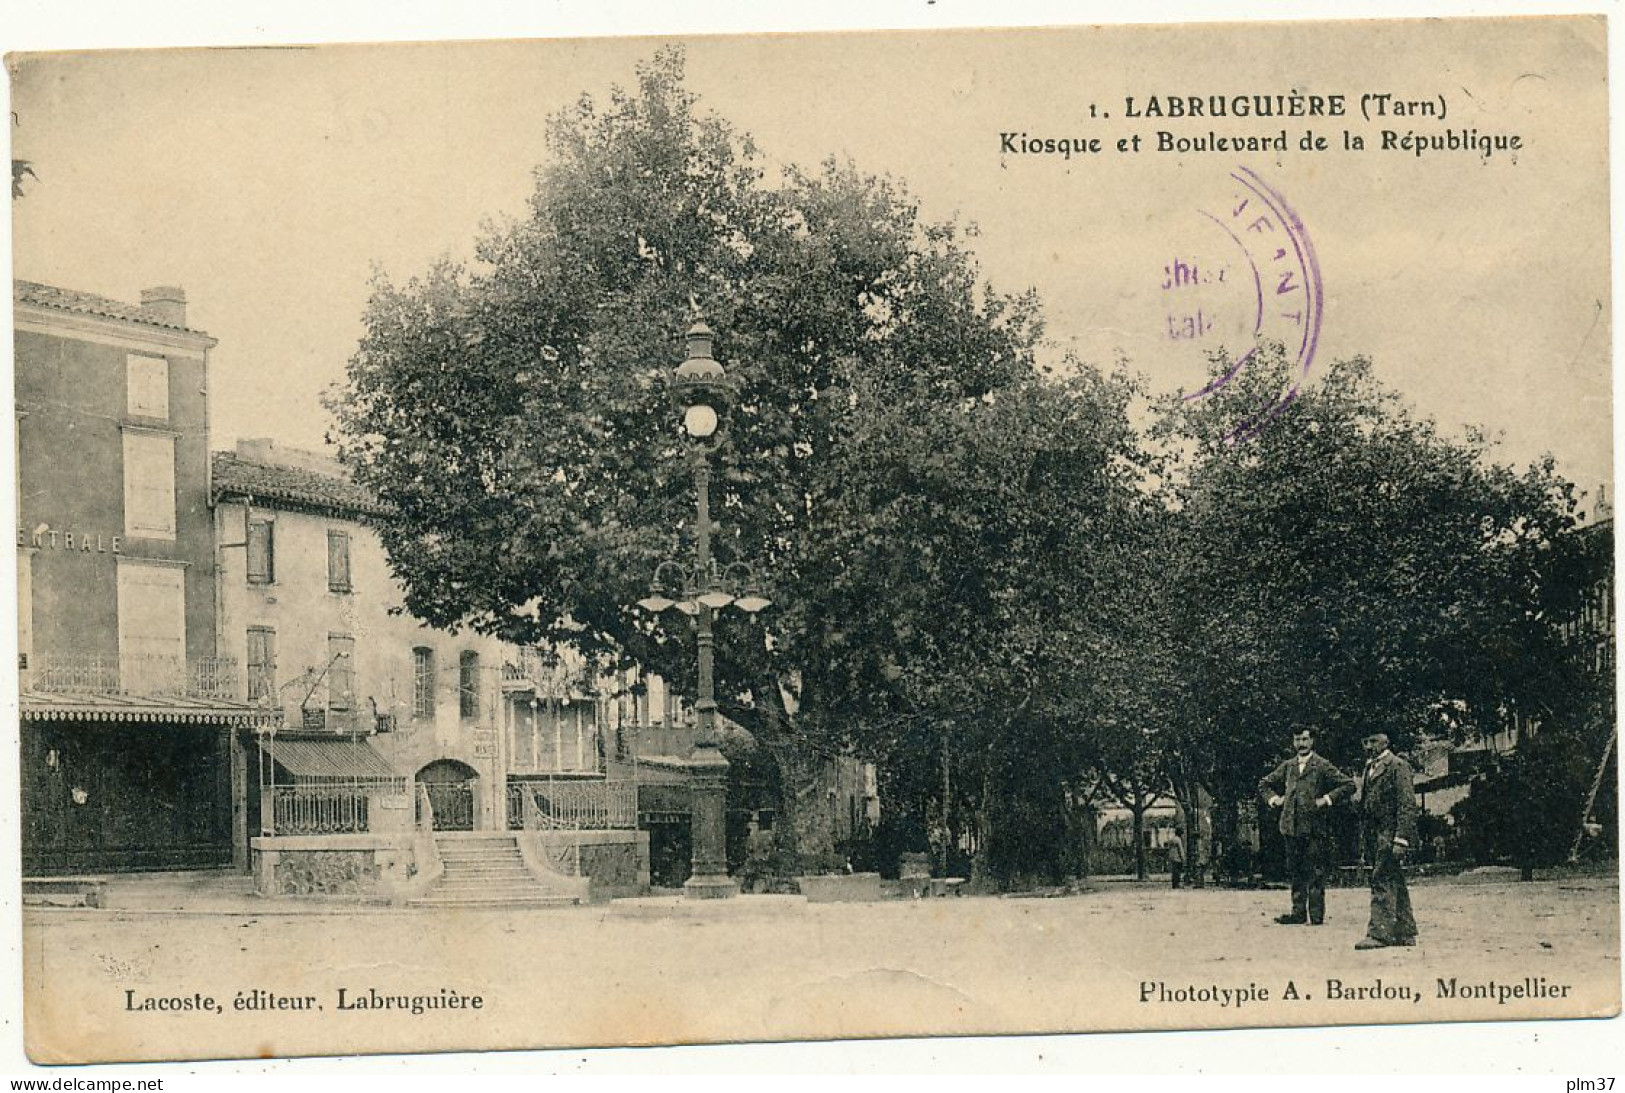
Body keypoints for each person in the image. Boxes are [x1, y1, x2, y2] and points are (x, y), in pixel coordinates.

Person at [1259, 726, 1355, 925]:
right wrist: (1274, 800)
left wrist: (1326, 799)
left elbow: (1348, 784)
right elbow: (1264, 784)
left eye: (1304, 739)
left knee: (1315, 871)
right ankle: (1298, 912)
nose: (1300, 744)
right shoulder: (1288, 766)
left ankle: (1316, 915)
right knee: (1295, 870)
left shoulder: (1321, 765)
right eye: (1297, 740)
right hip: (1290, 826)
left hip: (1313, 827)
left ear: (1312, 741)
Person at [1355, 732, 1419, 949]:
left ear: (1386, 741)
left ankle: (1379, 934)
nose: (1369, 745)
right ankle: (1405, 931)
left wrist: (1401, 839)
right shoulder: (1369, 768)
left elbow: (1407, 804)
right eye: (1366, 741)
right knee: (1394, 879)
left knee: (1381, 878)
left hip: (1389, 833)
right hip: (1374, 834)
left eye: (1374, 740)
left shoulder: (1397, 766)